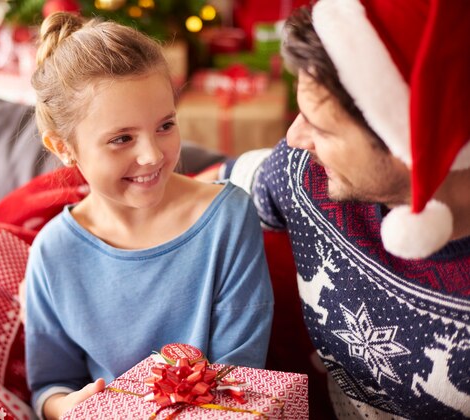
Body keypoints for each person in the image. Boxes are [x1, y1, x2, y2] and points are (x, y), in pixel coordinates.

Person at [213, 0, 470, 418]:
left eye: (321, 125)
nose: (295, 136)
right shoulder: (304, 173)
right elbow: (206, 186)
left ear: (406, 145)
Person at [24, 12, 274, 420]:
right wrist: (66, 407)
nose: (153, 156)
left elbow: (241, 379)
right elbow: (49, 386)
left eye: (165, 126)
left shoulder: (228, 218)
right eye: (122, 138)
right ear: (64, 147)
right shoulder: (52, 253)